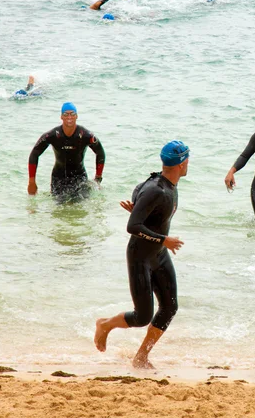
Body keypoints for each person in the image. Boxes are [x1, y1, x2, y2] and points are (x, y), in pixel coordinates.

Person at [94, 141, 189, 369]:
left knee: (170, 307)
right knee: (142, 316)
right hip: (140, 256)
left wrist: (139, 210)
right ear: (182, 163)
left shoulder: (167, 185)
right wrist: (163, 239)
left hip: (159, 254)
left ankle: (142, 356)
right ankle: (105, 324)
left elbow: (139, 198)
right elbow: (132, 226)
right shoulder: (157, 189)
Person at [28, 102, 105, 201]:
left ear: (76, 116)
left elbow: (100, 152)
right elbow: (34, 154)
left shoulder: (86, 135)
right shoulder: (52, 135)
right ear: (61, 117)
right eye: (66, 114)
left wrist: (98, 178)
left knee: (80, 209)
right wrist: (31, 182)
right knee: (59, 211)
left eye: (72, 114)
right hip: (58, 178)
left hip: (80, 178)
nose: (69, 117)